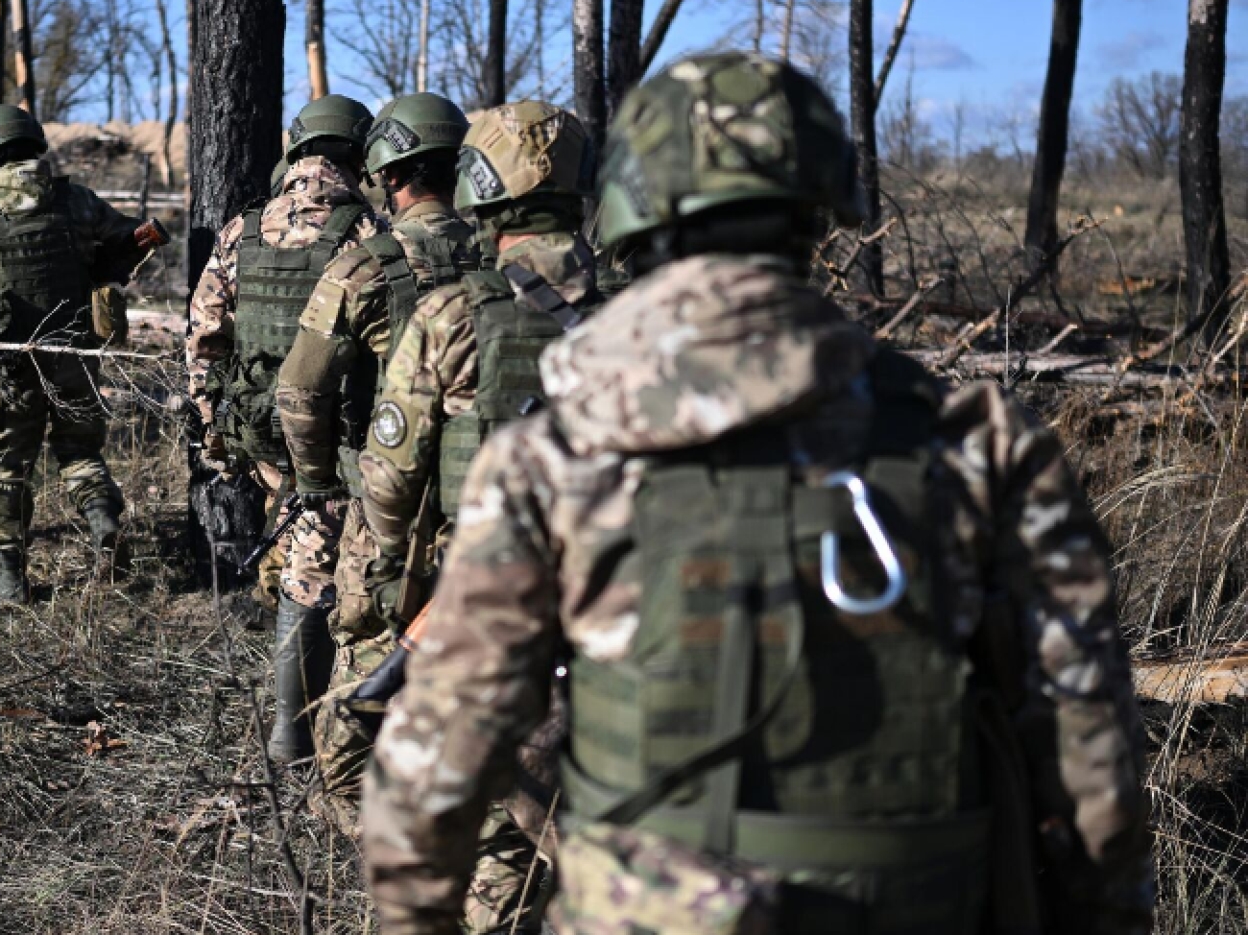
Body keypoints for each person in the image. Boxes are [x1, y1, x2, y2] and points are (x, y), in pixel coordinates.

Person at [361, 52, 1155, 935]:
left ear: (633, 211)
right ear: (821, 213)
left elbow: (428, 775)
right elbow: (1094, 769)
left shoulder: (555, 458)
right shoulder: (983, 444)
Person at [333, 98, 601, 932]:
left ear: (481, 193)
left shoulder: (454, 316)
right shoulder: (648, 306)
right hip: (621, 616)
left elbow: (388, 487)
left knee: (495, 831)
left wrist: (381, 604)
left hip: (483, 608)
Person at [274, 91, 477, 812]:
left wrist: (321, 481)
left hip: (385, 499)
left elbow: (299, 391)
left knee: (365, 663)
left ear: (387, 172)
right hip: (493, 502)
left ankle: (363, 826)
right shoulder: (506, 258)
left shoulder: (365, 266)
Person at [187, 93, 385, 762]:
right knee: (314, 572)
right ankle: (292, 736)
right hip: (328, 441)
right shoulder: (366, 233)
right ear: (358, 152)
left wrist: (214, 430)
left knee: (298, 545)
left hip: (256, 434)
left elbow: (203, 337)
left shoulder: (243, 229)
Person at [0, 105, 170, 603]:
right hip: (75, 353)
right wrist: (102, 272)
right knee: (80, 453)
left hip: (14, 362)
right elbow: (133, 239)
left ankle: (10, 580)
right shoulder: (77, 201)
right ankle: (103, 523)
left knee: (7, 469)